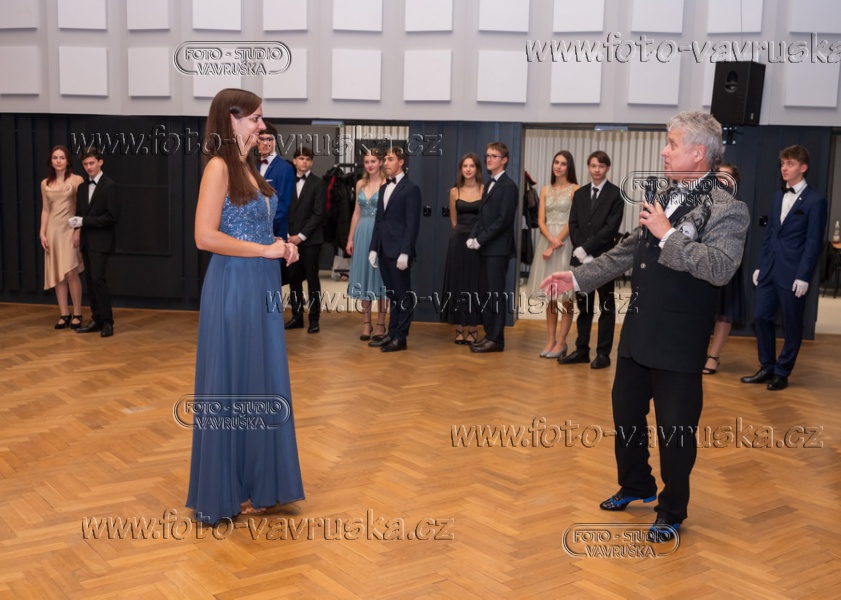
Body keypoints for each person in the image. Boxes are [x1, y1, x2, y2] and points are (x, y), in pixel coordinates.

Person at [541, 111, 750, 541]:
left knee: (675, 431)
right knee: (626, 417)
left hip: (679, 340)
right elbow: (627, 253)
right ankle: (637, 484)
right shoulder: (663, 196)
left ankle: (672, 509)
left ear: (699, 152)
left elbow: (720, 268)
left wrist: (669, 235)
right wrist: (576, 279)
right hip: (637, 333)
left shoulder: (729, 209)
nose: (664, 151)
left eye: (672, 144)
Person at [186, 88, 304, 523]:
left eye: (260, 118)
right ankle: (228, 489)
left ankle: (260, 486)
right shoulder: (218, 167)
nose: (261, 125)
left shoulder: (248, 167)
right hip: (234, 285)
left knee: (261, 378)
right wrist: (263, 251)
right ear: (230, 120)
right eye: (254, 118)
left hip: (261, 283)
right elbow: (204, 237)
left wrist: (282, 245)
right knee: (234, 379)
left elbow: (256, 231)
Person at [741, 145, 828, 391]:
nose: (784, 168)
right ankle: (767, 366)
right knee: (761, 317)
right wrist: (760, 265)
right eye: (782, 164)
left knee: (792, 324)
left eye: (790, 164)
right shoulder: (778, 196)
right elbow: (770, 234)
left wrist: (804, 276)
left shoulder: (816, 201)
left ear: (803, 167)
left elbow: (813, 242)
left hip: (793, 273)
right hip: (769, 269)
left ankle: (782, 372)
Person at [558, 150, 623, 368]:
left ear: (607, 168)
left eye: (601, 166)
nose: (597, 170)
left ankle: (603, 354)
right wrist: (580, 250)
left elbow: (610, 228)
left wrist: (588, 250)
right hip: (580, 258)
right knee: (584, 306)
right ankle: (582, 350)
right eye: (594, 166)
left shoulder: (615, 194)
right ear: (588, 167)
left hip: (604, 258)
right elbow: (573, 223)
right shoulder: (580, 193)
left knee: (606, 306)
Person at [368, 146, 421, 352]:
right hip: (383, 249)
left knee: (403, 294)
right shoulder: (383, 188)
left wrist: (405, 252)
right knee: (392, 295)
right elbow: (379, 221)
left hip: (399, 251)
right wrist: (374, 248)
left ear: (401, 162)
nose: (386, 163)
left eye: (390, 159)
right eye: (385, 159)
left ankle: (401, 337)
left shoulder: (411, 189)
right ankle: (391, 334)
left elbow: (412, 224)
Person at [466, 142, 519, 353]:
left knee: (495, 294)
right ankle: (489, 335)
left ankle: (497, 339)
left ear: (504, 160)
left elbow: (503, 220)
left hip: (497, 249)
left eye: (493, 156)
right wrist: (472, 236)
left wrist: (481, 239)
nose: (488, 159)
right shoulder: (489, 184)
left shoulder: (509, 186)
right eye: (487, 155)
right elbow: (482, 216)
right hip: (485, 248)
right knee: (486, 294)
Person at [526, 150, 579, 358]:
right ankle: (550, 340)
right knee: (550, 296)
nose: (558, 166)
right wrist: (550, 239)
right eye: (556, 162)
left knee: (566, 297)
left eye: (563, 163)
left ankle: (562, 342)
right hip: (547, 241)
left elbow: (573, 220)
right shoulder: (545, 190)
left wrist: (557, 242)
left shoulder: (575, 189)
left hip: (566, 244)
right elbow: (541, 221)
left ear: (569, 167)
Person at [69, 148, 119, 337]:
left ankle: (107, 322)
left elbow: (112, 217)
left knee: (98, 279)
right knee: (90, 280)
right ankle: (96, 319)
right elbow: (81, 213)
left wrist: (84, 221)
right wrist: (76, 225)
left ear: (100, 162)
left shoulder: (110, 185)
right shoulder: (82, 187)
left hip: (102, 240)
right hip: (86, 240)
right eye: (85, 164)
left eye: (91, 163)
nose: (89, 167)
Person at [703, 163, 746, 374]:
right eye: (718, 176)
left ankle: (713, 357)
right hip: (702, 263)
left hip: (725, 264)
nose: (720, 181)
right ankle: (697, 353)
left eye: (726, 177)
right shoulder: (701, 201)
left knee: (723, 313)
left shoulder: (736, 207)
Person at [40, 146, 85, 329]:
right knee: (58, 274)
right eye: (55, 158)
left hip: (70, 230)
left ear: (68, 161)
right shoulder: (45, 183)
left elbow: (82, 209)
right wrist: (42, 232)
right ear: (51, 161)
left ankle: (78, 313)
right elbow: (45, 210)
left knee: (71, 272)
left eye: (62, 157)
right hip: (53, 231)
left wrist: (78, 231)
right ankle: (64, 313)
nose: (58, 161)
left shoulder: (77, 180)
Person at [441, 152, 484, 345]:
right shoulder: (454, 192)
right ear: (461, 169)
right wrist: (461, 235)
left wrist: (477, 239)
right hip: (458, 241)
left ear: (477, 169)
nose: (468, 169)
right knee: (458, 283)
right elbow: (453, 220)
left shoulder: (485, 190)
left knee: (475, 283)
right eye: (465, 166)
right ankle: (459, 327)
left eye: (471, 166)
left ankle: (473, 327)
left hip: (478, 243)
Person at [346, 148, 388, 341]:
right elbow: (356, 212)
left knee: (380, 278)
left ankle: (381, 323)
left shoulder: (387, 183)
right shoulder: (360, 184)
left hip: (380, 233)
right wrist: (350, 238)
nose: (370, 165)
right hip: (362, 232)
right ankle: (366, 323)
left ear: (380, 162)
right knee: (363, 277)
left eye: (373, 161)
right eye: (367, 162)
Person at [285, 146, 327, 334]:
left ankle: (314, 319)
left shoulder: (319, 183)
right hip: (289, 239)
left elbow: (318, 214)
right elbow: (283, 210)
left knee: (312, 280)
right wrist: (288, 235)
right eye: (301, 158)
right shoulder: (287, 182)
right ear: (295, 161)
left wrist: (301, 236)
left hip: (310, 240)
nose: (304, 162)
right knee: (293, 279)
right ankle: (297, 317)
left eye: (308, 159)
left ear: (311, 162)